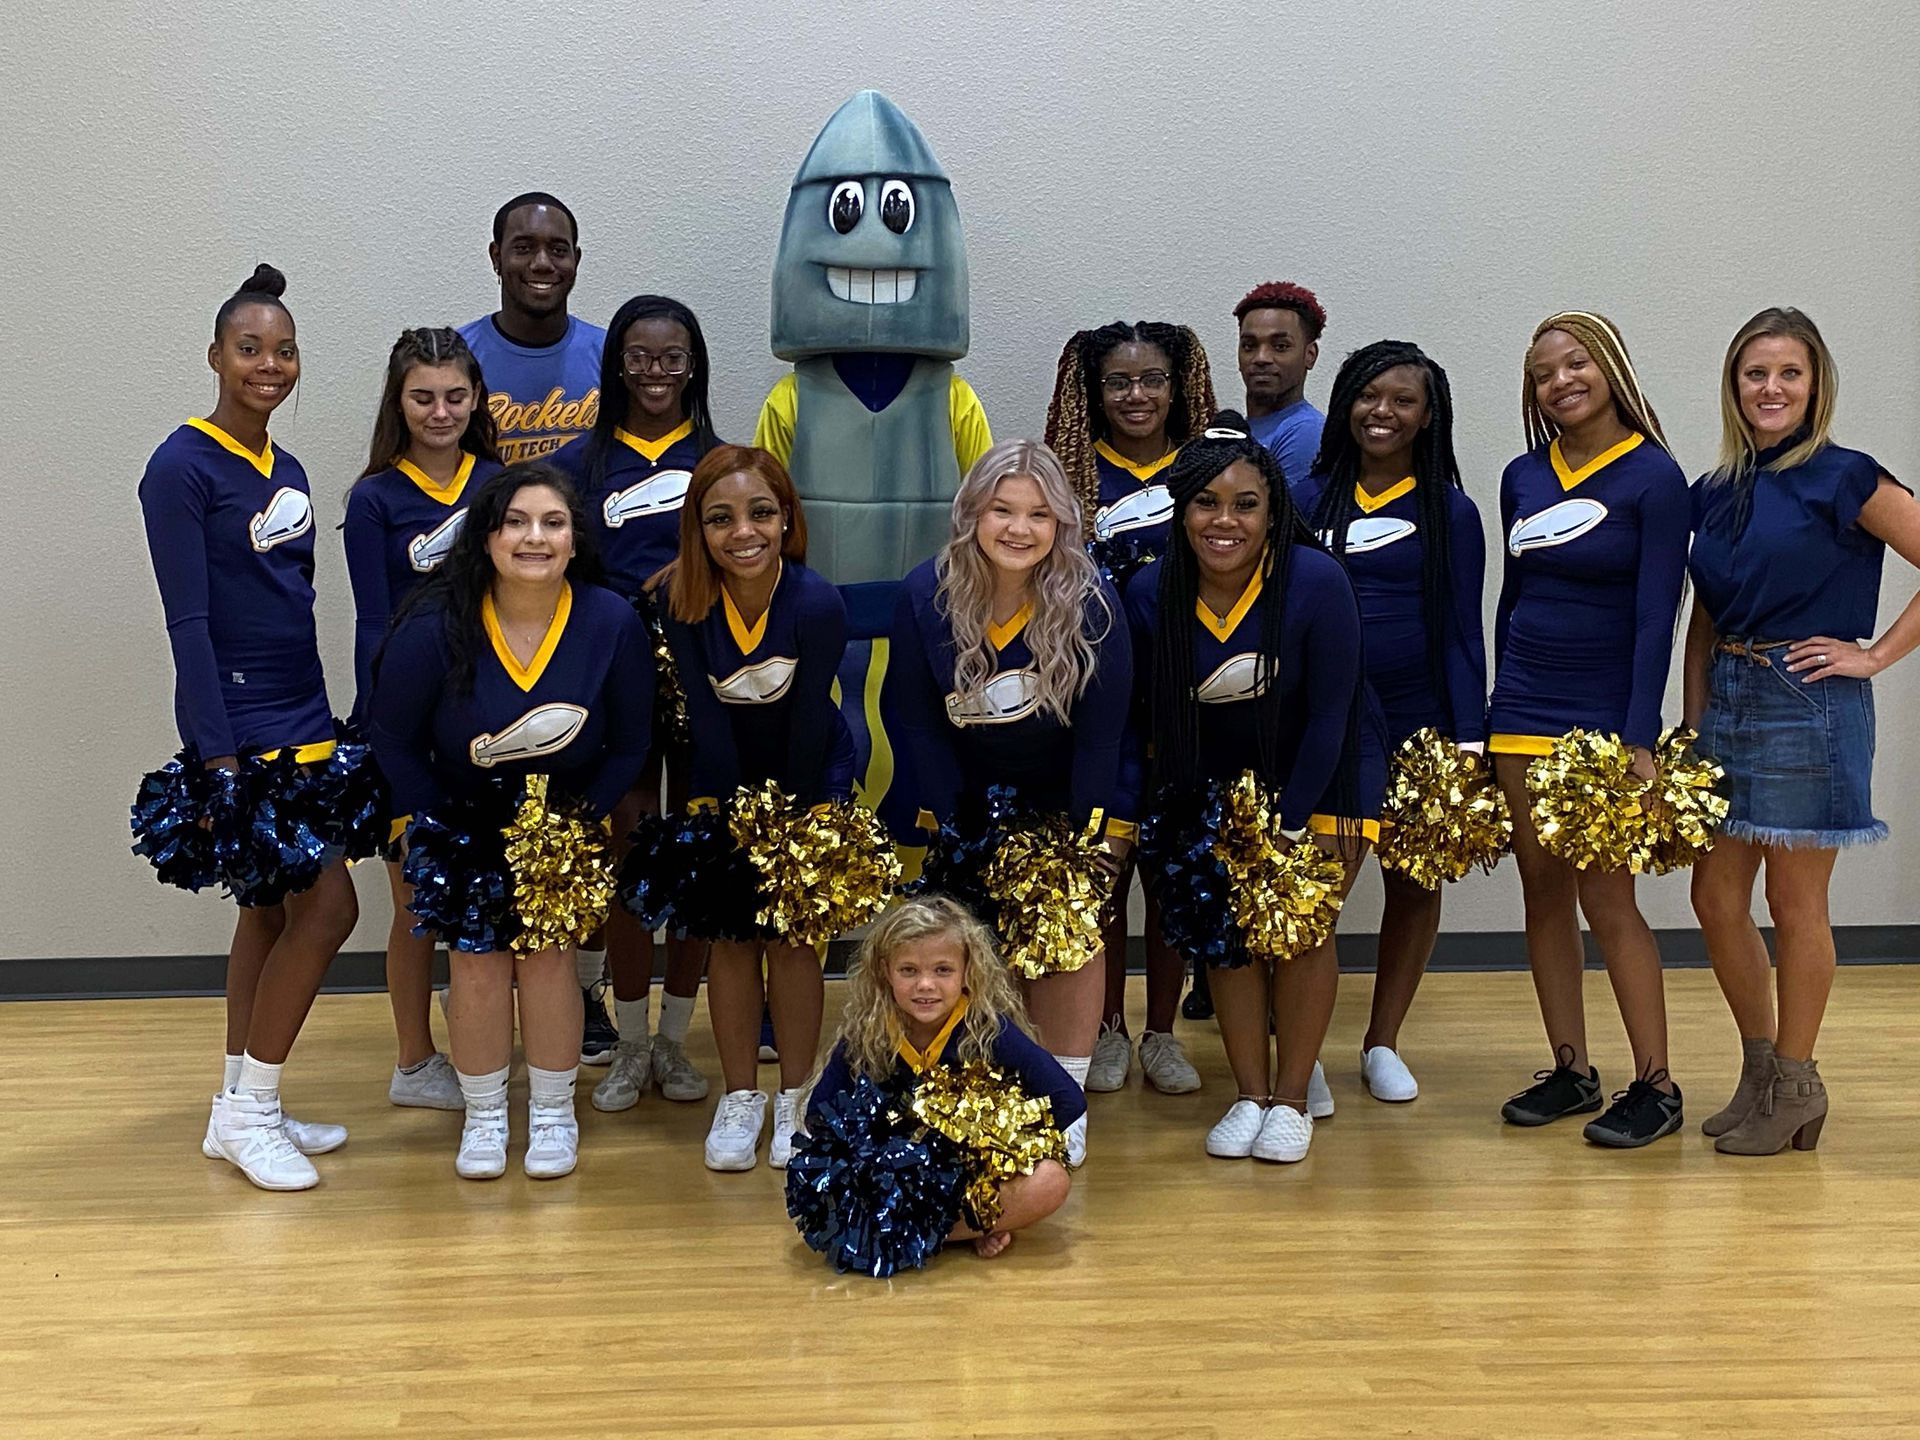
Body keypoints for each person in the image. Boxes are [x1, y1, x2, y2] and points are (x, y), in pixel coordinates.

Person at [135, 264, 364, 1191]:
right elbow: (187, 622)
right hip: (244, 728)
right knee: (333, 907)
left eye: (284, 350)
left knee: (269, 913)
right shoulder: (179, 467)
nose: (269, 365)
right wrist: (217, 754)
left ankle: (238, 1099)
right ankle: (249, 1113)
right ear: (215, 356)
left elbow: (291, 601)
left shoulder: (292, 469)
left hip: (304, 711)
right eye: (249, 348)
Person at [368, 463, 653, 1180]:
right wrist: (438, 818)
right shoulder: (436, 622)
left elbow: (631, 741)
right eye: (516, 523)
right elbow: (393, 737)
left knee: (552, 961)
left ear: (573, 537)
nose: (535, 538)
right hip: (463, 819)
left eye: (552, 523)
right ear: (486, 538)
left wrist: (583, 817)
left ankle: (553, 1113)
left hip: (560, 823)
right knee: (476, 963)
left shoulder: (609, 619)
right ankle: (487, 1113)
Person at [1685, 307, 1920, 1155]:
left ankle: (1798, 1079)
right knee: (1713, 898)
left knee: (1794, 903)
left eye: (1790, 373)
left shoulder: (1847, 476)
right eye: (1756, 373)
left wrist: (1876, 656)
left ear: (1815, 384)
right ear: (1734, 386)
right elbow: (1704, 616)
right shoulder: (1713, 491)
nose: (1771, 388)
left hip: (1808, 700)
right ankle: (1759, 1068)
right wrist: (1691, 718)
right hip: (1729, 700)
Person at [1129, 413, 1368, 1163]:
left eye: (1245, 504)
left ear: (1274, 512)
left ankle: (1293, 1096)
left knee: (1300, 932)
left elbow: (1333, 711)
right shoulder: (1150, 590)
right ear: (1180, 508)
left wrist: (1292, 823)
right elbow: (1151, 718)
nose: (1223, 520)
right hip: (1214, 786)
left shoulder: (1317, 580)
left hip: (1320, 776)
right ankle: (1249, 1092)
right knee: (1226, 935)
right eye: (1205, 502)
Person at [886, 438, 1132, 1165]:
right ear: (972, 514)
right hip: (968, 801)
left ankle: (1068, 1100)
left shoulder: (1091, 603)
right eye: (1002, 510)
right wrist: (955, 822)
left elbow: (1102, 736)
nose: (1019, 529)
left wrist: (1083, 846)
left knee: (1067, 933)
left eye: (1039, 514)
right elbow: (911, 717)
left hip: (1062, 799)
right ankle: (985, 1085)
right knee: (969, 942)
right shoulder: (923, 593)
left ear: (1062, 523)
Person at [1489, 311, 1689, 1148]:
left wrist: (1640, 737)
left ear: (1610, 367)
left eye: (1576, 363)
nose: (1561, 381)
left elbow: (1657, 618)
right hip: (1521, 712)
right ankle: (1571, 1068)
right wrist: (1489, 717)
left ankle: (1658, 1084)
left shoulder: (1654, 476)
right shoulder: (1521, 476)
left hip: (1603, 721)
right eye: (1544, 372)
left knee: (1610, 901)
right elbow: (1510, 599)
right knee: (1542, 893)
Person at [1295, 341, 1486, 1103]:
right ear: (1345, 402)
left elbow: (1463, 633)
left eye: (1403, 400)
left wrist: (1467, 740)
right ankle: (1300, 1052)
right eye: (1370, 395)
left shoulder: (1452, 510)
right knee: (1314, 889)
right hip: (1329, 721)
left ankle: (1381, 1042)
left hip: (1419, 721)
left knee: (1413, 883)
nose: (1384, 412)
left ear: (1428, 414)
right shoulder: (1307, 500)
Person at [654, 446, 855, 1172]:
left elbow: (809, 720)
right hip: (724, 775)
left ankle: (796, 1096)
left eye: (761, 513)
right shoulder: (680, 600)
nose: (744, 531)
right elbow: (703, 718)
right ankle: (741, 1096)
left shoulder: (816, 603)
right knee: (733, 937)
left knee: (794, 937)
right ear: (697, 528)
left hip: (810, 775)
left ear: (787, 519)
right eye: (721, 517)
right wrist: (733, 825)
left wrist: (785, 832)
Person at [1043, 322, 1217, 1097]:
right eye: (1119, 382)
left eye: (1151, 380)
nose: (1136, 396)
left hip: (1191, 703)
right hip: (1099, 704)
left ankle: (1162, 1033)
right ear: (1094, 393)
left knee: (1174, 874)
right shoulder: (1070, 476)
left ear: (1177, 388)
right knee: (1104, 871)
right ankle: (1106, 1026)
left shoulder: (1205, 469)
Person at [555, 295, 721, 1102]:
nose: (656, 373)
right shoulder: (579, 465)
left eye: (673, 358)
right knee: (625, 845)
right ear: (617, 364)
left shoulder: (720, 462)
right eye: (640, 358)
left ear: (694, 367)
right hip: (612, 679)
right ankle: (625, 1040)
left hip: (706, 678)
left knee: (695, 853)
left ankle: (675, 1041)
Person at [343, 326, 502, 1112]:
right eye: (422, 397)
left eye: (454, 396)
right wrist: (381, 728)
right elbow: (373, 622)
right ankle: (413, 1061)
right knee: (412, 901)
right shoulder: (375, 498)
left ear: (476, 401)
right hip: (406, 720)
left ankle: (492, 1049)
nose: (440, 412)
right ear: (398, 404)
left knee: (493, 888)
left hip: (492, 717)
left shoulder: (502, 483)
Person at [803, 897, 1077, 1260]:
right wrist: (876, 1153)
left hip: (969, 1181)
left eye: (943, 970)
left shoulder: (990, 1031)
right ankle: (968, 1229)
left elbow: (1068, 1098)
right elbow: (818, 1115)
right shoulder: (868, 1034)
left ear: (968, 970)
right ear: (885, 971)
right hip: (894, 1185)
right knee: (821, 1187)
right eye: (909, 971)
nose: (926, 985)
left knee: (1051, 1181)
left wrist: (1002, 1144)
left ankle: (929, 1234)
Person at [458, 193, 605, 464]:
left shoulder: (609, 353)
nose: (542, 263)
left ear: (577, 259)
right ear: (496, 256)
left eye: (558, 250)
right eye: (523, 248)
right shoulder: (456, 356)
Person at [1237, 282, 1327, 488]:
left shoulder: (1305, 431)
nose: (1261, 358)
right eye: (1249, 346)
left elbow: (1285, 519)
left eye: (1280, 346)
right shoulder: (1240, 427)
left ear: (1310, 355)